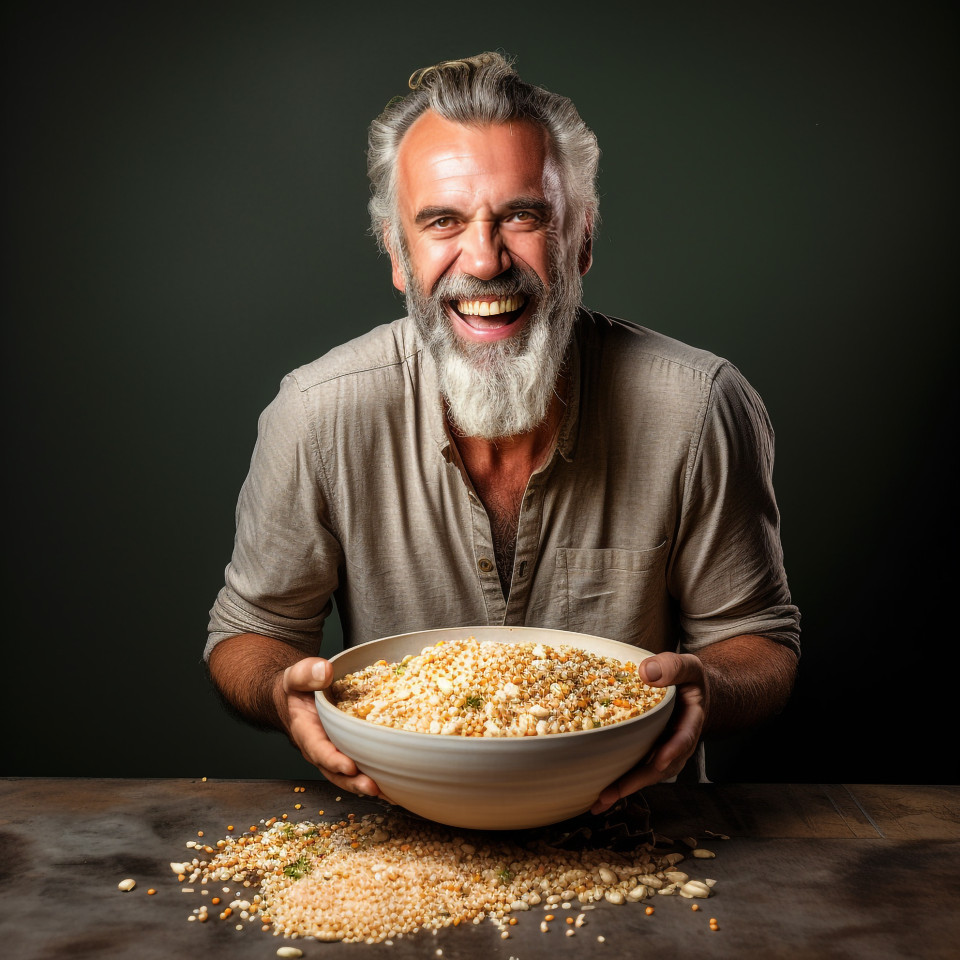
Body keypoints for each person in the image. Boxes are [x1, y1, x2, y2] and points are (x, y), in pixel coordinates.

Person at [205, 52, 800, 815]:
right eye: (442, 221)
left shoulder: (697, 407)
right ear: (397, 253)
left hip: (634, 826)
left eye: (522, 216)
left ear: (581, 236)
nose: (483, 260)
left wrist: (707, 689)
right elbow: (249, 636)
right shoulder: (317, 414)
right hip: (403, 835)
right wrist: (286, 695)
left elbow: (760, 642)